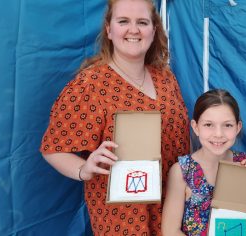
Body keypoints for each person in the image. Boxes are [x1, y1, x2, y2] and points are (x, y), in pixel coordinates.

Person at [40, 0, 190, 234]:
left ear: (154, 30)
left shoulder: (166, 79)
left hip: (172, 209)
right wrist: (83, 169)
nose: (133, 30)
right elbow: (53, 148)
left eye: (142, 22)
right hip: (122, 217)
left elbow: (181, 143)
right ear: (109, 30)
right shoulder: (90, 84)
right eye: (123, 21)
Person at [161, 89, 246, 236]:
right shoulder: (182, 171)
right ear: (195, 127)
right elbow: (170, 231)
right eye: (208, 125)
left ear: (238, 128)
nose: (218, 134)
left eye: (227, 125)